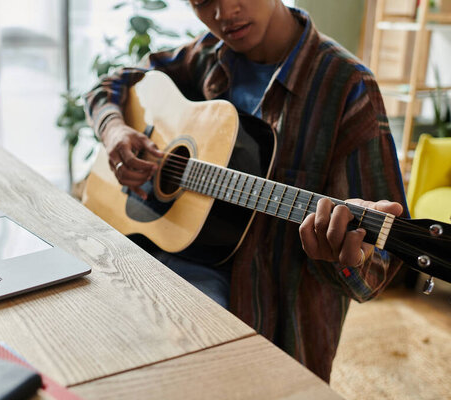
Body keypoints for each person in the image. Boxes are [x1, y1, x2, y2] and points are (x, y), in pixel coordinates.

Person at [84, 0, 407, 382]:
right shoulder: (205, 54)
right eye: (203, 2)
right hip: (156, 260)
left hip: (265, 324)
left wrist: (344, 254)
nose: (224, 13)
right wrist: (113, 128)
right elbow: (110, 85)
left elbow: (381, 263)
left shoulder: (349, 87)